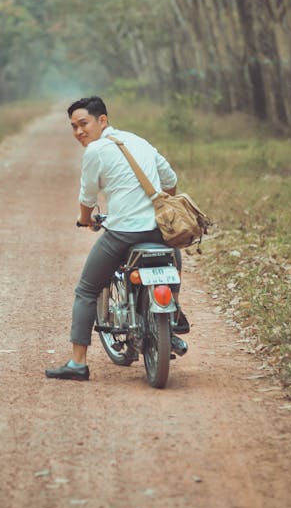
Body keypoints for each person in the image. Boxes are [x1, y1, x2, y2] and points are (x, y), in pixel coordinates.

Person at [45, 96, 189, 381]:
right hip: (159, 231)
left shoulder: (96, 151)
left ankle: (77, 364)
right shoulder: (139, 141)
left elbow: (87, 196)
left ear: (103, 120)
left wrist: (85, 220)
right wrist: (161, 208)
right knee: (173, 260)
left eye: (83, 123)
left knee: (86, 290)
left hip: (123, 232)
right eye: (73, 127)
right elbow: (170, 180)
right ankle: (170, 321)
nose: (78, 132)